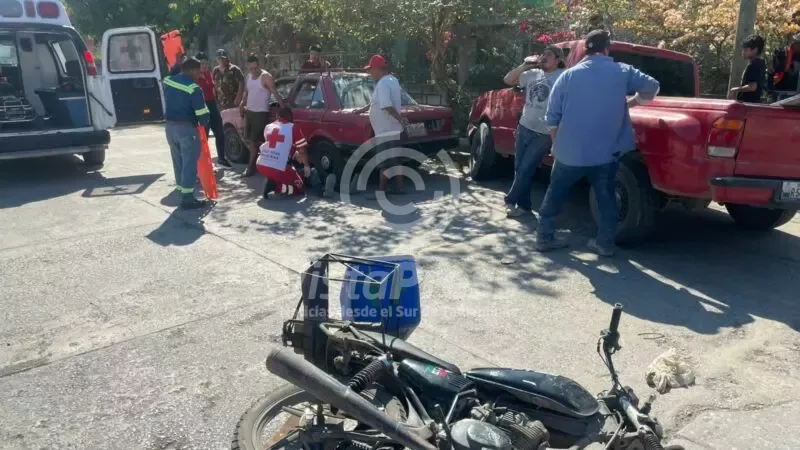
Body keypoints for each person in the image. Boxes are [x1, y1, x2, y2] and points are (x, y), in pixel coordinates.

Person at [537, 29, 660, 256]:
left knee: (555, 195)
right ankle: (604, 243)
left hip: (569, 152)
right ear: (607, 49)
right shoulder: (622, 71)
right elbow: (652, 87)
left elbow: (552, 118)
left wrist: (556, 145)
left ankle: (544, 237)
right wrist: (631, 102)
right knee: (606, 199)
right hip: (605, 153)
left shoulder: (567, 76)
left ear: (585, 50)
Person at [501, 45, 565, 218]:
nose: (544, 57)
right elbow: (508, 80)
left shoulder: (563, 76)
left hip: (544, 133)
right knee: (520, 169)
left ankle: (510, 199)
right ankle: (524, 206)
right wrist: (525, 65)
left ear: (557, 59)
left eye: (549, 55)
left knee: (526, 168)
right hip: (524, 127)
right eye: (543, 54)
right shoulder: (532, 74)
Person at [354, 55, 409, 199]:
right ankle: (399, 188)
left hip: (385, 130)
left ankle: (382, 192)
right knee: (395, 160)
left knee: (384, 162)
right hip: (393, 129)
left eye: (371, 69)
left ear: (378, 69)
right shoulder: (392, 80)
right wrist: (363, 109)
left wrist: (400, 119)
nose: (370, 73)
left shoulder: (383, 84)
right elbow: (377, 102)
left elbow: (387, 106)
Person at [163, 57, 211, 209]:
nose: (200, 75)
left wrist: (177, 64)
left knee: (178, 162)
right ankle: (187, 199)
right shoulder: (194, 88)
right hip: (187, 130)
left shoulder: (168, 81)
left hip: (170, 128)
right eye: (198, 72)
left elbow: (171, 73)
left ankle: (182, 192)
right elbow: (202, 114)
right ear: (191, 70)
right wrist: (205, 122)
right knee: (189, 164)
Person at [240, 54, 287, 177]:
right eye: (251, 68)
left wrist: (284, 108)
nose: (254, 71)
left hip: (261, 113)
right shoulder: (249, 76)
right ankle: (259, 164)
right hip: (250, 112)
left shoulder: (266, 77)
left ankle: (251, 168)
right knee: (250, 140)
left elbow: (275, 92)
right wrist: (242, 103)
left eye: (255, 68)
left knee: (255, 141)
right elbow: (246, 91)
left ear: (259, 65)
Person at [256, 107, 310, 198]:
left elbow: (276, 146)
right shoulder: (293, 127)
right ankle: (274, 186)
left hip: (261, 164)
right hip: (277, 167)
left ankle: (274, 181)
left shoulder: (268, 127)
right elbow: (302, 150)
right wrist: (306, 165)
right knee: (299, 188)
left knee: (282, 174)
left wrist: (293, 152)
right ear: (290, 117)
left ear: (277, 116)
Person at [196, 52, 230, 167]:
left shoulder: (208, 73)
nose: (204, 66)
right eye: (202, 63)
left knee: (220, 132)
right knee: (204, 136)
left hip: (212, 104)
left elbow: (213, 88)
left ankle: (221, 159)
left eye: (206, 63)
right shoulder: (193, 78)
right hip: (201, 106)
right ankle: (205, 164)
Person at [730, 35, 767, 103]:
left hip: (748, 104)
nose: (743, 52)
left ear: (755, 50)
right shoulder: (761, 63)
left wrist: (735, 89)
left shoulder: (754, 65)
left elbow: (752, 87)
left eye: (746, 50)